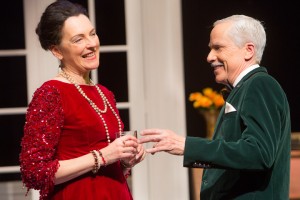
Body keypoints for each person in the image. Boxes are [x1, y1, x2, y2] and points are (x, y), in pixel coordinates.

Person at [139, 14, 291, 199]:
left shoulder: (260, 85)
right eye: (211, 49)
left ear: (248, 50)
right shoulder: (243, 89)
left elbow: (259, 153)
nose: (210, 57)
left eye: (218, 48)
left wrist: (188, 146)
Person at [19, 1, 145, 199]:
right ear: (57, 51)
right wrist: (103, 155)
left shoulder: (105, 93)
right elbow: (34, 172)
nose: (92, 44)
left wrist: (125, 160)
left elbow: (105, 165)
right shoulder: (51, 94)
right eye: (78, 39)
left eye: (92, 34)